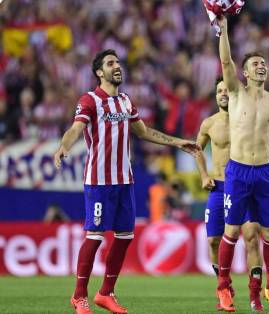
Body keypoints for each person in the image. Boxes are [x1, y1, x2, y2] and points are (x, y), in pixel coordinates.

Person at [53, 49, 200, 314]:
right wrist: (64, 146)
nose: (117, 66)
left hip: (125, 180)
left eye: (118, 62)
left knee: (124, 237)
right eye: (110, 63)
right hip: (98, 181)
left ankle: (106, 293)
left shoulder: (125, 101)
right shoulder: (90, 100)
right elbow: (76, 128)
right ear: (100, 72)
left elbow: (143, 132)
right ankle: (79, 297)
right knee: (95, 236)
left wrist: (179, 143)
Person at [213, 16, 269, 313]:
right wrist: (224, 28)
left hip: (264, 172)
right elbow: (225, 58)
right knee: (231, 231)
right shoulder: (235, 92)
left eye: (263, 63)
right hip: (239, 171)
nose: (261, 66)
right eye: (255, 63)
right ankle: (223, 289)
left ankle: (268, 288)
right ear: (243, 72)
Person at [194, 77, 264, 311]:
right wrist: (204, 175)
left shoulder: (247, 120)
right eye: (218, 91)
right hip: (219, 187)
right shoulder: (209, 123)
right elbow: (197, 149)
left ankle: (255, 296)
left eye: (226, 89)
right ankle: (224, 288)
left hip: (243, 187)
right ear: (215, 95)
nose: (223, 93)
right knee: (214, 240)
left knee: (251, 238)